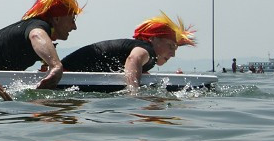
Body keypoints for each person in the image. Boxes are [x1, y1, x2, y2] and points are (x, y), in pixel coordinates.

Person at [0, 0, 83, 89]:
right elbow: (36, 35)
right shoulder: (38, 25)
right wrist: (56, 66)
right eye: (72, 20)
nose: (75, 27)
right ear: (57, 19)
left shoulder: (35, 26)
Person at [61, 12, 195, 89]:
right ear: (154, 39)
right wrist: (133, 92)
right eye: (171, 46)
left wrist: (175, 80)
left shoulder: (147, 56)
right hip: (64, 74)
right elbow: (133, 60)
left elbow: (135, 70)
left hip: (66, 73)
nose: (173, 53)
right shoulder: (146, 49)